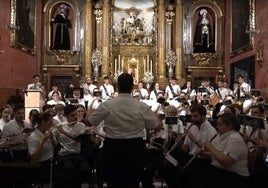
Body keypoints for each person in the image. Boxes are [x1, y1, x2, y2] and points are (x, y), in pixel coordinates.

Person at [88, 73, 160, 188]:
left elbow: (90, 122)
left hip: (113, 146)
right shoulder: (141, 106)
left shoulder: (107, 105)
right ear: (132, 87)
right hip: (135, 146)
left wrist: (89, 109)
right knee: (133, 181)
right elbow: (156, 126)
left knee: (113, 181)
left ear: (117, 87)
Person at [188, 112, 250, 188]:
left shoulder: (235, 139)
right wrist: (201, 153)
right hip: (221, 169)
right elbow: (217, 154)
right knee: (193, 178)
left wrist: (210, 147)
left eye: (220, 124)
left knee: (200, 183)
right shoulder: (222, 135)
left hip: (235, 175)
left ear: (230, 125)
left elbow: (227, 162)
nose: (217, 127)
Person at [163, 103, 217, 188]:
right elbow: (184, 149)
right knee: (167, 166)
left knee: (181, 173)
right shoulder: (192, 127)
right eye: (192, 116)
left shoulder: (211, 131)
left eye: (195, 116)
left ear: (203, 116)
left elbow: (208, 153)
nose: (192, 119)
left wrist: (193, 138)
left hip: (202, 160)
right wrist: (179, 142)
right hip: (189, 157)